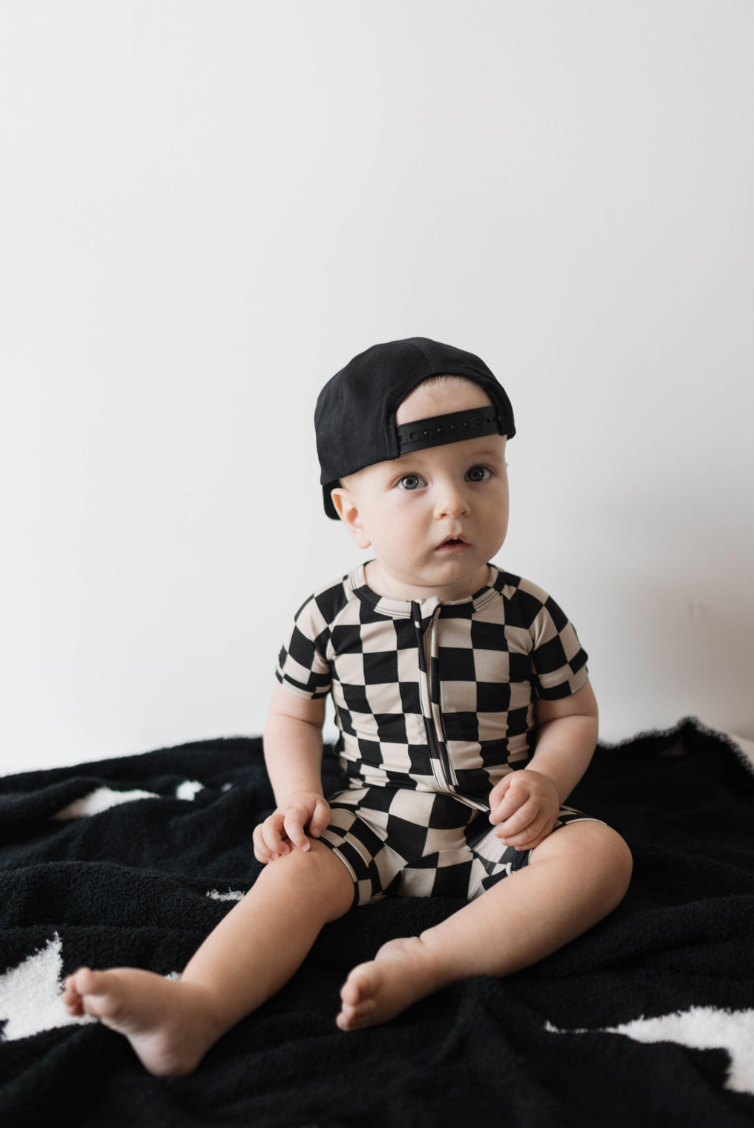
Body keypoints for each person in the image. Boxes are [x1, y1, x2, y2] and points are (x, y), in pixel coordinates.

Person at [62, 336, 633, 1077]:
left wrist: (547, 784)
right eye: (410, 482)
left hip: (497, 818)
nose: (455, 501)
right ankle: (195, 1005)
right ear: (351, 512)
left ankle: (428, 961)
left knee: (600, 857)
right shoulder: (329, 617)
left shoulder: (528, 613)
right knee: (294, 874)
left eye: (480, 471)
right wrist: (299, 797)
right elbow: (293, 715)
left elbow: (573, 715)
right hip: (373, 820)